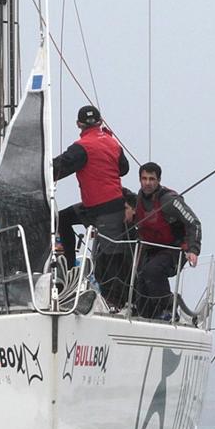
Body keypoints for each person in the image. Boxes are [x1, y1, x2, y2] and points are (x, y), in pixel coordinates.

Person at [52, 104, 130, 308]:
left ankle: (114, 301)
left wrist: (37, 169)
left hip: (102, 209)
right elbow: (124, 169)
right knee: (65, 218)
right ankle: (71, 272)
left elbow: (58, 169)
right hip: (107, 205)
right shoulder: (112, 143)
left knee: (109, 254)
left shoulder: (81, 146)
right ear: (100, 121)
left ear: (78, 124)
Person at [132, 162, 202, 319]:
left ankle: (169, 310)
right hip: (153, 249)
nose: (148, 183)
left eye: (152, 179)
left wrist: (193, 249)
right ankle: (147, 315)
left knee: (153, 271)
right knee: (141, 277)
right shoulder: (139, 199)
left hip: (174, 250)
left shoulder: (169, 200)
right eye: (144, 178)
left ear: (159, 180)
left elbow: (194, 222)